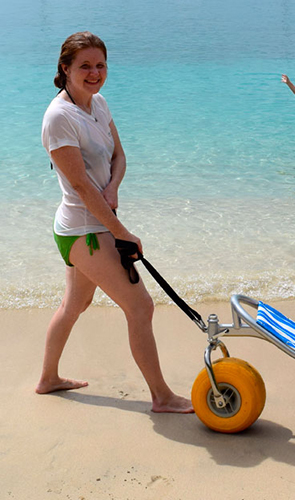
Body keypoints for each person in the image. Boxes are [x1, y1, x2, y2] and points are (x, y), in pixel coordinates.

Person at [36, 32, 193, 413]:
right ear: (65, 69)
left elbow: (119, 157)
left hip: (97, 220)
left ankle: (48, 380)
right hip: (83, 230)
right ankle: (161, 396)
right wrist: (123, 234)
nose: (94, 73)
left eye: (100, 65)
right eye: (85, 66)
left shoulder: (98, 103)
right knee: (140, 307)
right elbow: (80, 186)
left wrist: (114, 187)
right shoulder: (59, 118)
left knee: (74, 305)